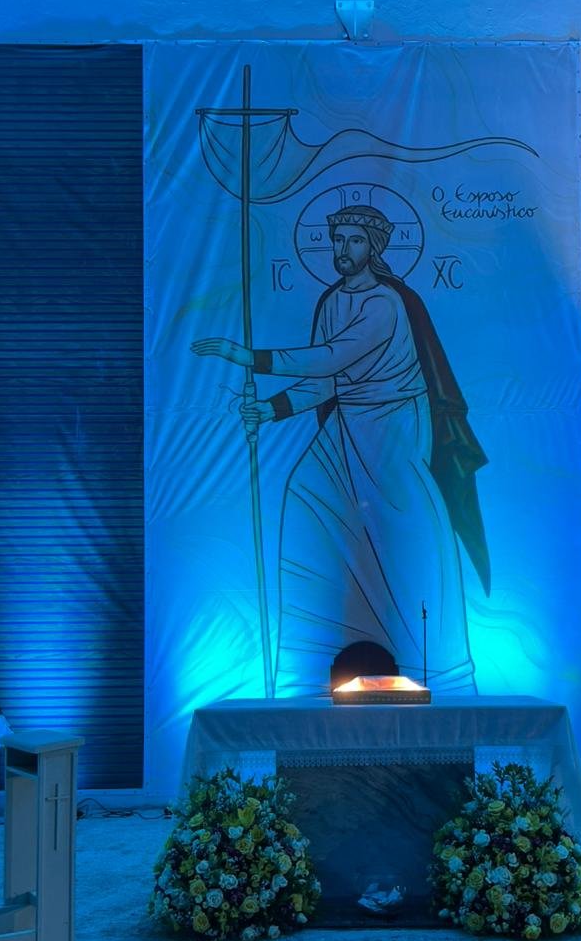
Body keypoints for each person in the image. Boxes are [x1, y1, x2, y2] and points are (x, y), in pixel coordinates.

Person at [191, 203, 489, 695]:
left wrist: (249, 357)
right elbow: (327, 381)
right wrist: (271, 410)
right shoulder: (332, 302)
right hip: (348, 422)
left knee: (405, 537)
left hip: (391, 429)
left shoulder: (384, 303)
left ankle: (437, 669)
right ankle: (311, 662)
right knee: (305, 493)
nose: (342, 249)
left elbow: (332, 357)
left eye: (354, 240)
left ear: (373, 248)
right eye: (337, 239)